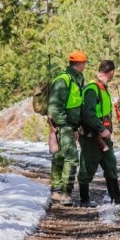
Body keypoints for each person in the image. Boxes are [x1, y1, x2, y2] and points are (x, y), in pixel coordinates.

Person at [78, 60, 120, 207]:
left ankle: (117, 197)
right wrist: (101, 129)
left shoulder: (102, 88)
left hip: (104, 137)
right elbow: (88, 115)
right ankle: (84, 200)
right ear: (112, 72)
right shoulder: (92, 89)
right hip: (91, 137)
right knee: (87, 168)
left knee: (111, 164)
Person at [48, 51, 87, 206]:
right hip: (63, 125)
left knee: (60, 156)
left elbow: (76, 104)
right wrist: (65, 126)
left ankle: (57, 191)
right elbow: (55, 106)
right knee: (71, 158)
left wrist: (76, 127)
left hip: (70, 125)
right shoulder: (63, 79)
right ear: (81, 63)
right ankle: (65, 193)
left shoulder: (77, 78)